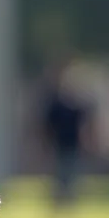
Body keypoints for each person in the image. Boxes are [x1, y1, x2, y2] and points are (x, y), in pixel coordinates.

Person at [40, 62, 93, 210]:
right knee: (59, 179)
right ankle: (58, 205)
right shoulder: (55, 103)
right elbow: (47, 126)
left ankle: (68, 205)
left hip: (73, 146)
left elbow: (85, 126)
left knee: (71, 178)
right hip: (58, 146)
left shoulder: (78, 105)